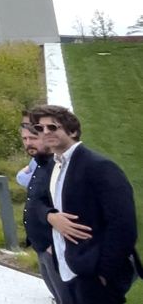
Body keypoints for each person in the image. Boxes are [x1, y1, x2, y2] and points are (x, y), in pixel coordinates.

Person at [28, 104, 143, 304]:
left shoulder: (99, 166)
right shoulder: (53, 165)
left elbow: (123, 226)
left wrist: (103, 273)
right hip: (67, 268)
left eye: (52, 127)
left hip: (94, 274)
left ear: (72, 131)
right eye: (40, 128)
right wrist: (50, 216)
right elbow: (37, 201)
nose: (45, 132)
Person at [18, 112, 68, 303]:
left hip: (53, 248)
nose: (28, 143)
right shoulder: (39, 163)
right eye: (24, 139)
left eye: (32, 138)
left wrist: (54, 246)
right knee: (58, 296)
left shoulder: (57, 166)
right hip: (41, 246)